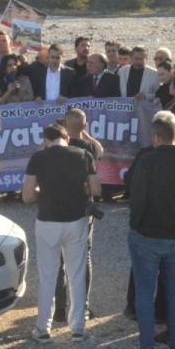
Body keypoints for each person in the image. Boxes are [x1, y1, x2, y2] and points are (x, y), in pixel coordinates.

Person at [125, 111, 175, 349]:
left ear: (157, 137)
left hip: (147, 234)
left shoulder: (147, 161)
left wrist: (136, 226)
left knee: (145, 292)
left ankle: (147, 346)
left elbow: (137, 200)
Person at [22, 124, 100, 342]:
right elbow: (96, 189)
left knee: (48, 275)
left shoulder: (39, 157)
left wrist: (43, 192)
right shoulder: (84, 155)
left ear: (46, 139)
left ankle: (43, 328)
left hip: (47, 221)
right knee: (76, 274)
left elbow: (27, 196)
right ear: (67, 138)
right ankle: (77, 328)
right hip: (76, 221)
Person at [54, 108, 103, 323]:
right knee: (84, 258)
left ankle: (60, 309)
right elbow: (100, 148)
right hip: (82, 208)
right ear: (84, 127)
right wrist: (85, 132)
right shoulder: (90, 147)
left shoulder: (55, 148)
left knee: (58, 261)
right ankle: (82, 307)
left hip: (57, 208)